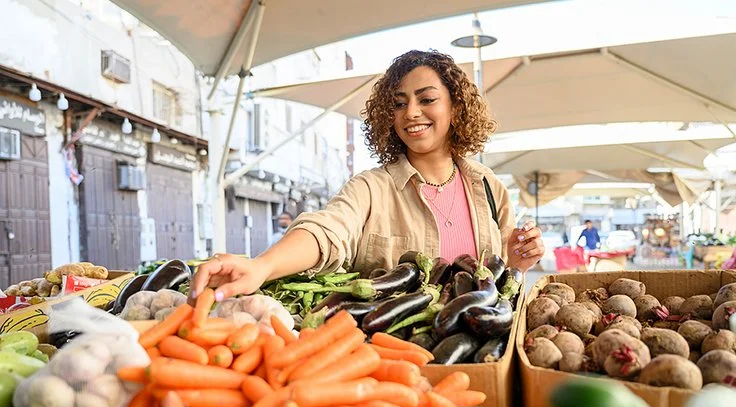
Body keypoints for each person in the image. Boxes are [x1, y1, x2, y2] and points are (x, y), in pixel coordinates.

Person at [190, 50, 545, 303]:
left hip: (479, 353)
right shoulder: (371, 188)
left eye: (427, 99)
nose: (412, 112)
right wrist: (262, 266)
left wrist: (517, 262)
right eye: (399, 103)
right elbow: (326, 231)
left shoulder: (489, 188)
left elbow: (503, 286)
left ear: (455, 107)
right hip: (391, 362)